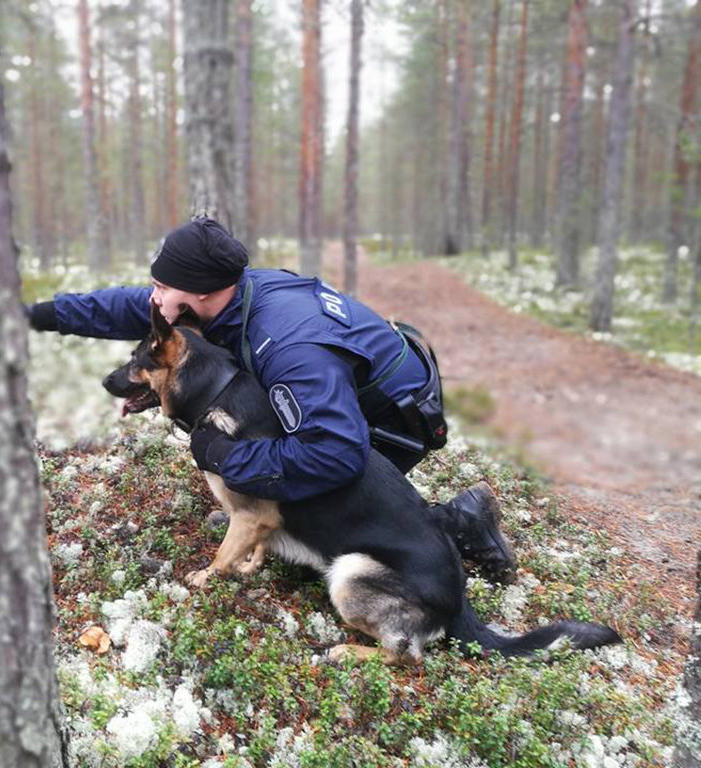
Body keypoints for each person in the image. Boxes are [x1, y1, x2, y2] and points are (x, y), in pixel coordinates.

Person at [27, 218, 516, 583]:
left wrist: (229, 459)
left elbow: (336, 452)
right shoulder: (224, 296)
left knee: (318, 507)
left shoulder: (287, 343)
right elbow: (125, 307)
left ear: (196, 292)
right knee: (272, 455)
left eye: (161, 286)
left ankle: (458, 521)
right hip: (345, 397)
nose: (153, 297)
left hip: (390, 422)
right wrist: (34, 315)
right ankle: (264, 508)